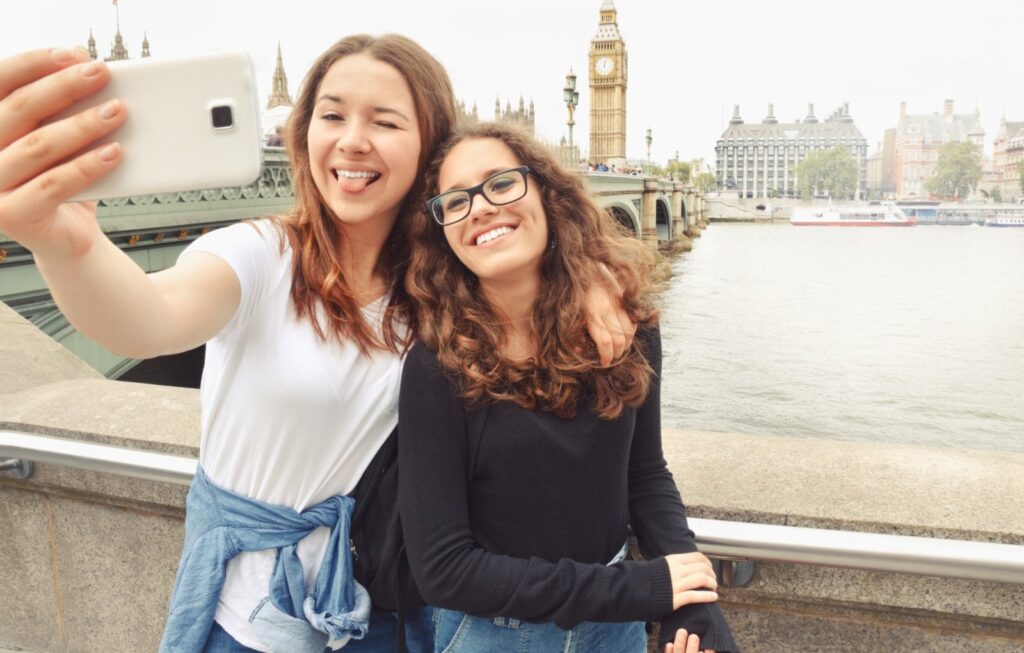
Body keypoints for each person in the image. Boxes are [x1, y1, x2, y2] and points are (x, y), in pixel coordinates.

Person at [0, 40, 633, 653]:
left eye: (385, 121)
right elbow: (147, 319)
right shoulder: (262, 255)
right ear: (305, 133)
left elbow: (539, 271)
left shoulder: (444, 284)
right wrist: (67, 243)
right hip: (254, 620)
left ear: (429, 148)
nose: (353, 139)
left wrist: (589, 286)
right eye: (331, 115)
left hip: (383, 613)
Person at [399, 121, 739, 653]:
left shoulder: (627, 328)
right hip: (492, 635)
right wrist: (645, 588)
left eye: (501, 184)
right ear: (443, 231)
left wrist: (694, 599)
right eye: (456, 201)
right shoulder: (438, 363)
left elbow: (644, 474)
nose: (482, 207)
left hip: (617, 630)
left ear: (546, 192)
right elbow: (443, 570)